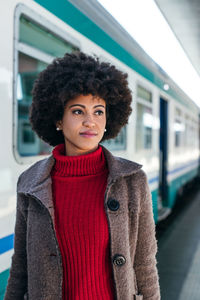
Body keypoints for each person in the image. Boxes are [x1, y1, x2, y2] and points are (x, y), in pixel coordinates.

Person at [4, 52, 160, 300]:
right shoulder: (30, 183)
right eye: (78, 111)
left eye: (98, 112)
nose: (90, 122)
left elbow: (144, 263)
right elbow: (21, 265)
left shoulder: (132, 181)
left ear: (109, 119)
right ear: (58, 119)